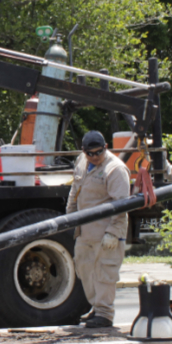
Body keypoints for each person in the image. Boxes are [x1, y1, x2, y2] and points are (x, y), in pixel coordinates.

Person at [66, 130, 130, 329]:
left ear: (106, 148)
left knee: (104, 272)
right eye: (90, 153)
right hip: (85, 232)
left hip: (105, 233)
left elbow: (121, 205)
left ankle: (105, 313)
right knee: (86, 270)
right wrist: (70, 217)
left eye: (98, 152)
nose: (95, 156)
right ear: (83, 152)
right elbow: (74, 191)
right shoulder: (82, 162)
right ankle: (96, 307)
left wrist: (113, 232)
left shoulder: (115, 169)